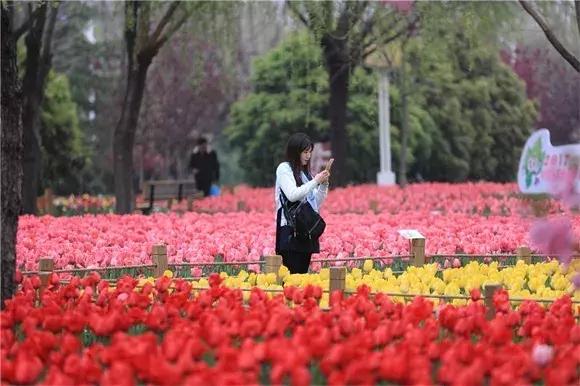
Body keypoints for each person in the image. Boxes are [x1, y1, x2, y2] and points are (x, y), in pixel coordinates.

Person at [275, 133, 331, 274]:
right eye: (305, 152)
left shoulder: (305, 174)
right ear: (295, 152)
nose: (308, 156)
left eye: (310, 152)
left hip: (306, 231)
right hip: (290, 231)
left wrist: (323, 184)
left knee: (302, 278)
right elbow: (292, 195)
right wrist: (315, 181)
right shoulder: (284, 169)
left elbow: (315, 204)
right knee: (290, 277)